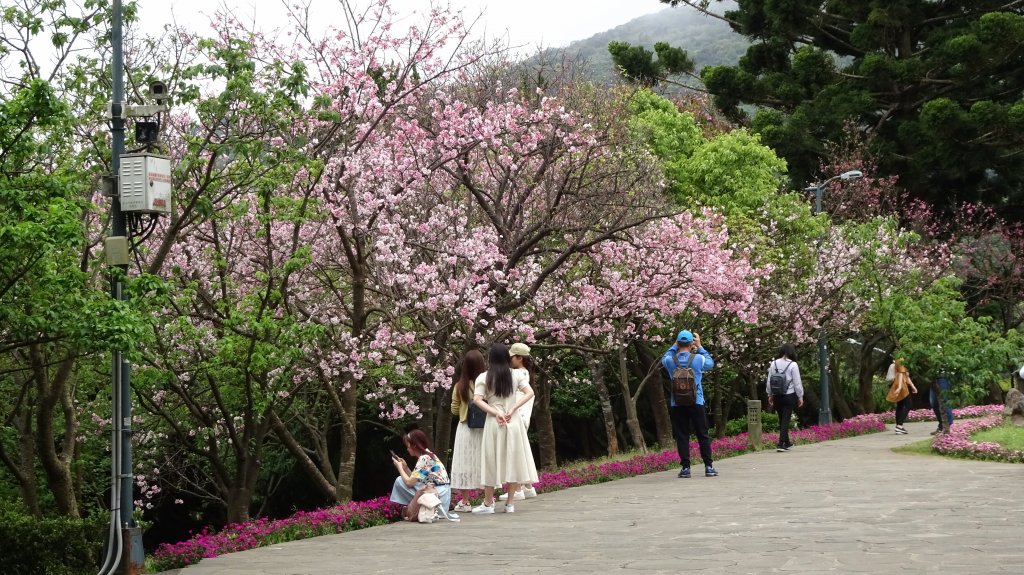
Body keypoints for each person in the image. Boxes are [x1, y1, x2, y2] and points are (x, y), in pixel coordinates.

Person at [472, 343, 539, 514]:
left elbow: (477, 400)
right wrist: (513, 408)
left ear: (490, 358)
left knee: (490, 460)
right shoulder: (516, 375)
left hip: (495, 422)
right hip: (513, 421)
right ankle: (510, 503)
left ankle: (488, 503)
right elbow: (530, 393)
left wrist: (495, 412)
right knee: (514, 459)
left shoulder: (484, 377)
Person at [661, 330, 717, 478]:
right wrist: (700, 346)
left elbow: (664, 358)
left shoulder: (670, 361)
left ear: (678, 343)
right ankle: (708, 466)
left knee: (682, 435)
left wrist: (674, 346)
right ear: (691, 343)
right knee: (702, 434)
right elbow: (711, 363)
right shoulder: (698, 359)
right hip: (696, 401)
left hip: (677, 402)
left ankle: (686, 468)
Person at [499, 342, 538, 502]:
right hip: (522, 416)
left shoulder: (518, 374)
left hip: (517, 416)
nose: (510, 360)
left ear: (519, 358)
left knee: (515, 452)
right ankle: (527, 486)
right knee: (520, 451)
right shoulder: (524, 373)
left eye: (512, 357)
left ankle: (518, 488)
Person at [449, 349, 487, 512]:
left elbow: (454, 410)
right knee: (484, 462)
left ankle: (465, 501)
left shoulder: (460, 386)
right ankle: (488, 499)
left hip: (465, 428)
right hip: (484, 428)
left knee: (464, 463)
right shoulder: (487, 384)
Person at [389, 429, 452, 520]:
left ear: (414, 445)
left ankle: (411, 508)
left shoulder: (424, 458)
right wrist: (405, 467)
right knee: (412, 482)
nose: (407, 448)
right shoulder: (429, 455)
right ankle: (415, 507)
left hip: (436, 497)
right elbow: (418, 480)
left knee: (400, 480)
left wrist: (399, 467)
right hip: (441, 497)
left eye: (408, 446)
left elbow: (409, 483)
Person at [766, 343, 804, 451]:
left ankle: (786, 442)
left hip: (777, 395)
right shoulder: (793, 365)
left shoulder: (774, 363)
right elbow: (797, 383)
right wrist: (800, 396)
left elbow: (769, 381)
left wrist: (770, 394)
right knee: (785, 419)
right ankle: (781, 443)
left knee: (781, 418)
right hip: (789, 395)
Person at [886, 358, 917, 435]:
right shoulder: (901, 359)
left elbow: (905, 375)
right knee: (908, 404)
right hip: (902, 385)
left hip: (898, 384)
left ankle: (898, 426)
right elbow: (900, 374)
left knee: (900, 405)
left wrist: (912, 386)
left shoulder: (900, 359)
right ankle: (899, 426)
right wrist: (900, 388)